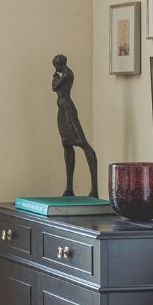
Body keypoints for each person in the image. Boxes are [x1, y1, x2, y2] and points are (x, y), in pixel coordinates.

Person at [52, 55, 99, 199]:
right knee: (66, 145)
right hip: (62, 112)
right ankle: (69, 188)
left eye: (56, 65)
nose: (55, 68)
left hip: (68, 112)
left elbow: (55, 87)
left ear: (60, 64)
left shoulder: (67, 74)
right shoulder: (63, 74)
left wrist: (54, 78)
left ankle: (94, 190)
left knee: (84, 144)